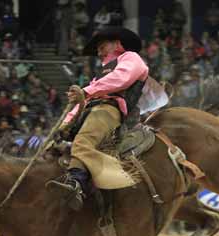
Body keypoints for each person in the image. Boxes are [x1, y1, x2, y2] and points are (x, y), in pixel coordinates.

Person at [47, 27, 148, 210]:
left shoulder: (131, 58)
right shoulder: (100, 74)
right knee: (53, 149)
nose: (99, 52)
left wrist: (86, 91)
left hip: (109, 109)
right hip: (91, 109)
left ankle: (75, 184)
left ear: (117, 43)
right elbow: (80, 102)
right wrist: (64, 124)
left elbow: (120, 79)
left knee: (83, 142)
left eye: (102, 47)